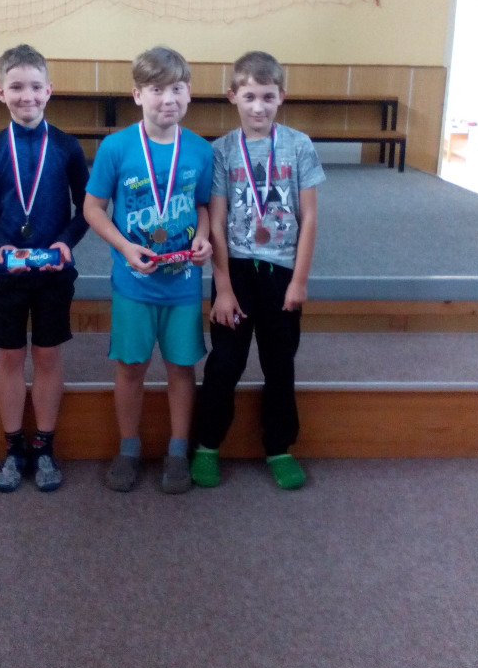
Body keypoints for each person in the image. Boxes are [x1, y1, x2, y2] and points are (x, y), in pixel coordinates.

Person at [190, 51, 325, 490]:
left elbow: (309, 217)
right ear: (232, 96)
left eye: (268, 96)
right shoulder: (222, 151)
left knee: (279, 363)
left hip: (282, 272)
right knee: (225, 363)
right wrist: (223, 288)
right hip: (236, 272)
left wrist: (299, 281)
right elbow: (217, 223)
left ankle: (279, 446)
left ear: (281, 96)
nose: (259, 107)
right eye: (249, 97)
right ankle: (207, 445)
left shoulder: (299, 145)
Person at [84, 46, 212, 494]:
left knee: (181, 368)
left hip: (183, 285)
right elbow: (93, 208)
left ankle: (178, 451)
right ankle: (128, 447)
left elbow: (202, 204)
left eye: (176, 88)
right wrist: (123, 246)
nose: (167, 99)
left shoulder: (200, 150)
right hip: (133, 285)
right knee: (131, 367)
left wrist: (203, 237)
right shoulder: (116, 147)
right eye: (156, 90)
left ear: (189, 93)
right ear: (137, 95)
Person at [0, 44, 89, 492]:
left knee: (48, 355)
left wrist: (65, 242)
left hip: (54, 273)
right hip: (5, 273)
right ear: (0, 92)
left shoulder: (67, 147)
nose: (27, 96)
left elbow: (88, 209)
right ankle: (13, 447)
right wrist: (1, 247)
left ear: (49, 90)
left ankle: (44, 446)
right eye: (17, 87)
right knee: (9, 357)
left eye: (36, 87)